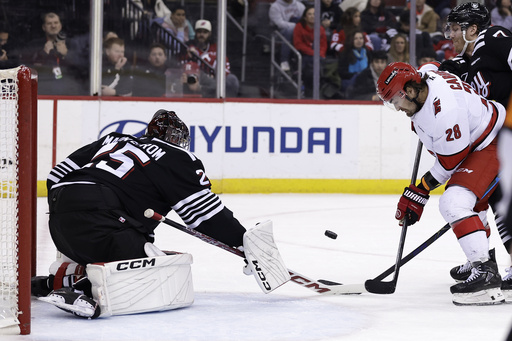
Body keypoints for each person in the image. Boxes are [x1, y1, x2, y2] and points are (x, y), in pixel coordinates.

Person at [32, 110, 289, 318]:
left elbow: (56, 176)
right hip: (101, 220)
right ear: (178, 139)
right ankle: (84, 292)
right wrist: (243, 241)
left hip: (59, 221)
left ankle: (52, 282)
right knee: (155, 265)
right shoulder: (176, 156)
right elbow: (205, 214)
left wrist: (73, 208)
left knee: (123, 247)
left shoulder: (113, 140)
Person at [376, 62, 506, 305]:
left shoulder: (445, 112)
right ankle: (483, 258)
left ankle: (485, 272)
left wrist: (420, 190)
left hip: (494, 141)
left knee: (454, 201)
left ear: (411, 91)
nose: (397, 108)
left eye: (396, 101)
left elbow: (449, 163)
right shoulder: (424, 78)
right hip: (480, 139)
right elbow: (432, 66)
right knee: (470, 203)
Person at [439, 1, 512, 300]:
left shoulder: (493, 39)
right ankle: (484, 260)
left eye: (457, 28)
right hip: (495, 142)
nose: (451, 35)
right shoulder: (467, 64)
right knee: (490, 198)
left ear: (473, 29)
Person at [26, 12, 86, 95]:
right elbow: (28, 70)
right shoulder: (35, 44)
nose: (53, 26)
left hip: (69, 86)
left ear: (60, 25)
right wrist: (43, 54)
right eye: (49, 23)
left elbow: (83, 68)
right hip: (44, 86)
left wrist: (66, 54)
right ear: (44, 27)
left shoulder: (72, 43)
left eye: (56, 23)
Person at [184, 19, 239, 97]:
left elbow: (226, 67)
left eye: (205, 32)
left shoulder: (216, 48)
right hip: (199, 79)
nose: (201, 35)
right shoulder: (190, 48)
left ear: (210, 34)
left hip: (215, 79)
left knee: (232, 79)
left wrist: (217, 75)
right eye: (199, 32)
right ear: (195, 33)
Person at [293, 6, 327, 98]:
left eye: (314, 14)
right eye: (309, 14)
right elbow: (298, 44)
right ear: (305, 17)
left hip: (318, 56)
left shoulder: (320, 29)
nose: (312, 16)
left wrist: (321, 54)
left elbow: (323, 45)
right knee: (308, 64)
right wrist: (313, 53)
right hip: (304, 55)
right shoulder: (299, 27)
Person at [268, 0, 306, 72]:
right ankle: (284, 60)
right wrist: (297, 27)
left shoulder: (300, 6)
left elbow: (305, 21)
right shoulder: (275, 7)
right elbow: (280, 24)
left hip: (297, 31)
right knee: (289, 30)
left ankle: (304, 58)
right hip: (278, 34)